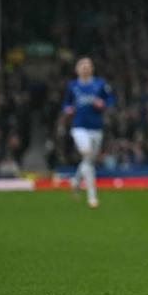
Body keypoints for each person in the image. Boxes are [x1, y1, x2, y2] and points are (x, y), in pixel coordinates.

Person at [59, 57, 115, 209]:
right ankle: (92, 196)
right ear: (77, 70)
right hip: (79, 127)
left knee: (89, 161)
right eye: (82, 66)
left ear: (92, 69)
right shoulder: (72, 86)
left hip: (96, 128)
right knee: (87, 155)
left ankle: (76, 181)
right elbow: (66, 103)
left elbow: (110, 100)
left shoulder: (100, 84)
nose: (85, 68)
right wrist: (67, 109)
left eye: (87, 66)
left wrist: (103, 103)